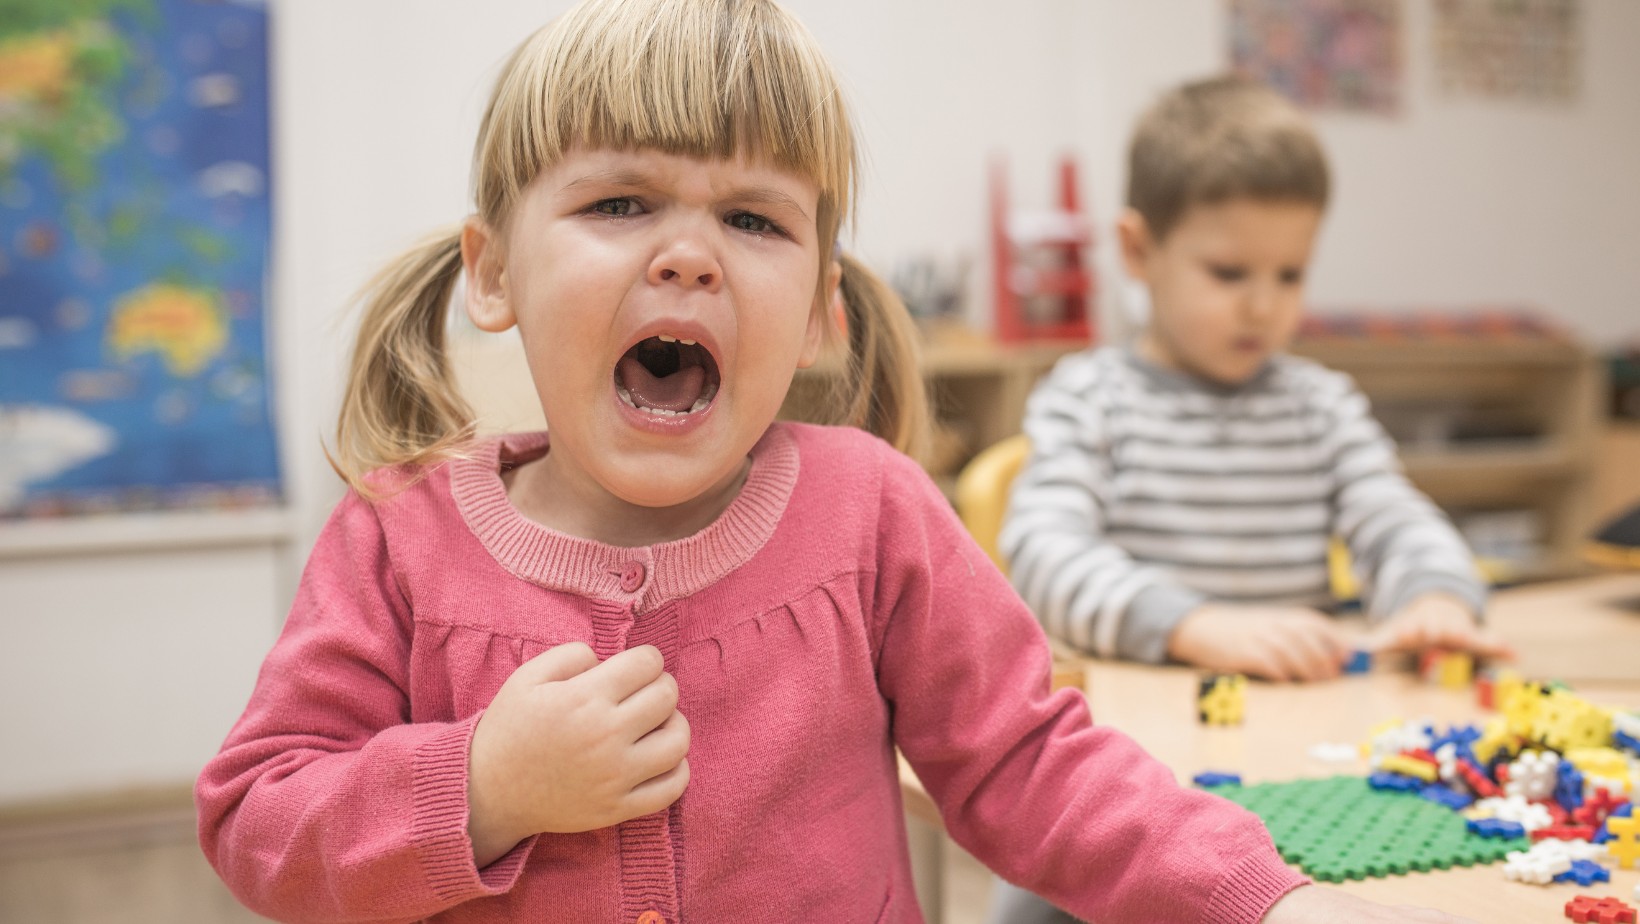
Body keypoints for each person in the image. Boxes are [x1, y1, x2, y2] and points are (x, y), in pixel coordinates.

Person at [195, 6, 1479, 922]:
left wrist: (1261, 899)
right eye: (620, 203)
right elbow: (257, 820)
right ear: (491, 273)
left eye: (753, 220)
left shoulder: (870, 510)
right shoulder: (394, 539)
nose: (690, 254)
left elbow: (1028, 764)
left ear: (818, 313)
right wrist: (477, 788)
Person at [987, 75, 1509, 924]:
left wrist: (1436, 597)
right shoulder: (1090, 395)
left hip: (1293, 756)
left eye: (1290, 272)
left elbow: (1394, 515)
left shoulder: (1319, 402)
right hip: (1123, 770)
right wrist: (1195, 623)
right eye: (1229, 271)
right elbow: (1043, 556)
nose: (1263, 304)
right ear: (1138, 249)